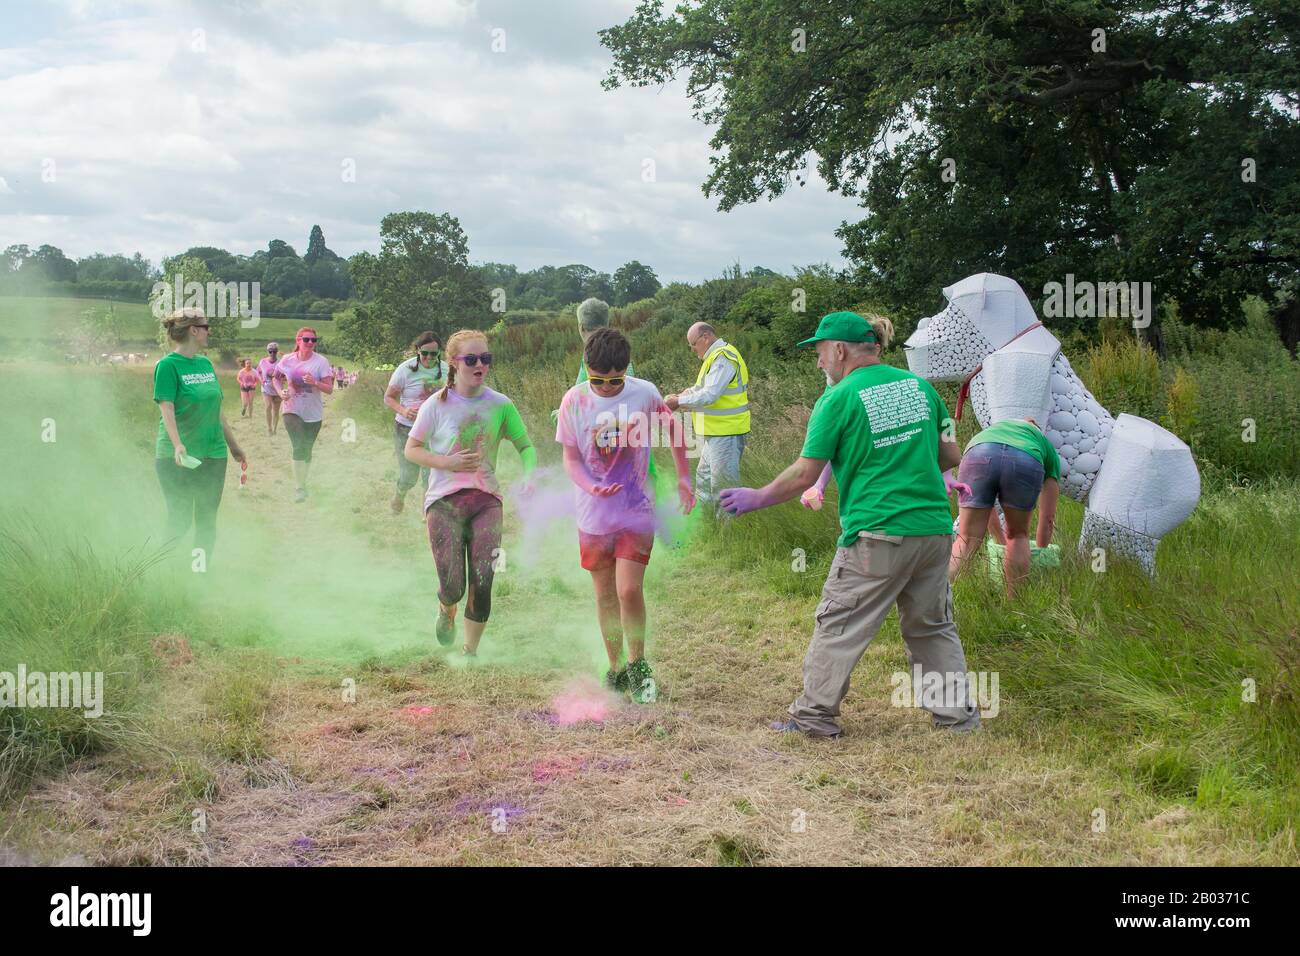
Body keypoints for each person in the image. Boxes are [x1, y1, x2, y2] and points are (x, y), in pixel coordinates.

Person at [719, 311, 979, 738]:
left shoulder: (836, 399)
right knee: (932, 627)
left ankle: (814, 717)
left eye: (820, 352)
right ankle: (958, 721)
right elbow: (950, 455)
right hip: (933, 530)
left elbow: (806, 474)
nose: (819, 362)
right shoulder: (921, 388)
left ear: (839, 350)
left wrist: (757, 497)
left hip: (877, 535)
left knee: (838, 624)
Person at [556, 328, 695, 702]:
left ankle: (639, 665)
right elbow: (570, 458)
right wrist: (589, 486)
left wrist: (684, 477)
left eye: (614, 380)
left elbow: (674, 430)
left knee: (628, 589)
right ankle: (615, 667)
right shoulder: (574, 401)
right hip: (593, 515)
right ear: (586, 368)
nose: (604, 387)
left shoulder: (644, 393)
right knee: (604, 596)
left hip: (636, 511)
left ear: (626, 370)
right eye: (597, 379)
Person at [404, 330, 536, 657]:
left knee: (484, 577)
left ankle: (470, 653)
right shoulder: (436, 405)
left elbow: (526, 447)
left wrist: (529, 476)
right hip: (443, 502)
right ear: (453, 362)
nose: (481, 365)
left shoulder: (501, 405)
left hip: (486, 501)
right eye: (472, 359)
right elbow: (412, 449)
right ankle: (446, 608)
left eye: (486, 359)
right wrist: (446, 462)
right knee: (453, 585)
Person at [152, 308, 246, 562]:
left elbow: (216, 409)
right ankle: (161, 569)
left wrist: (234, 446)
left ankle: (198, 573)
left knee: (206, 519)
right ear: (193, 330)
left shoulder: (205, 364)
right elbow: (166, 408)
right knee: (180, 518)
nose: (209, 330)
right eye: (206, 326)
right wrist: (178, 444)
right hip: (178, 457)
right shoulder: (167, 366)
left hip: (213, 454)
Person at [948, 417, 1060, 596]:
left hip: (977, 452)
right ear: (1037, 430)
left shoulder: (994, 431)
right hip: (1025, 458)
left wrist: (999, 539)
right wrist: (1041, 548)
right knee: (1018, 536)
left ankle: (938, 601)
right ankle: (1014, 607)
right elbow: (1048, 518)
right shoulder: (1044, 445)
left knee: (967, 538)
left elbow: (987, 503)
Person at [665, 322, 750, 516]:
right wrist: (681, 397)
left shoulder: (723, 358)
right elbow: (701, 388)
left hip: (726, 432)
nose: (692, 349)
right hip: (714, 434)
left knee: (723, 488)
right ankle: (704, 526)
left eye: (693, 344)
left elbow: (710, 395)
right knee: (703, 481)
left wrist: (679, 401)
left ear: (705, 337)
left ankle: (727, 535)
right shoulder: (713, 358)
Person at [385, 331, 448, 514]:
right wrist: (404, 410)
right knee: (409, 476)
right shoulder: (405, 369)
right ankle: (400, 495)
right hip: (406, 429)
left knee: (431, 475)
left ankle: (426, 515)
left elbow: (454, 397)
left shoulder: (446, 370)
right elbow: (388, 398)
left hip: (435, 431)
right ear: (417, 351)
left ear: (439, 353)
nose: (429, 357)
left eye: (433, 354)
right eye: (424, 353)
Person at [274, 327, 334, 503]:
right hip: (291, 409)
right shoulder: (287, 360)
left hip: (313, 413)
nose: (310, 343)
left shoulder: (321, 362)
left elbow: (329, 389)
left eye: (314, 340)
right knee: (298, 445)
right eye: (307, 339)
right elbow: (276, 377)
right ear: (298, 340)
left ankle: (303, 482)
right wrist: (280, 393)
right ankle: (299, 488)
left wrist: (315, 382)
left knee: (307, 450)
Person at [257, 343, 282, 436]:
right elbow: (258, 372)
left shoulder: (280, 362)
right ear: (267, 351)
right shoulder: (262, 361)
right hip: (266, 388)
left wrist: (283, 378)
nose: (272, 353)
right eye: (270, 351)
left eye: (274, 351)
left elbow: (285, 374)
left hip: (277, 389)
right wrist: (261, 380)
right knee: (268, 407)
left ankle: (275, 429)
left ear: (277, 351)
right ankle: (269, 429)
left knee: (276, 411)